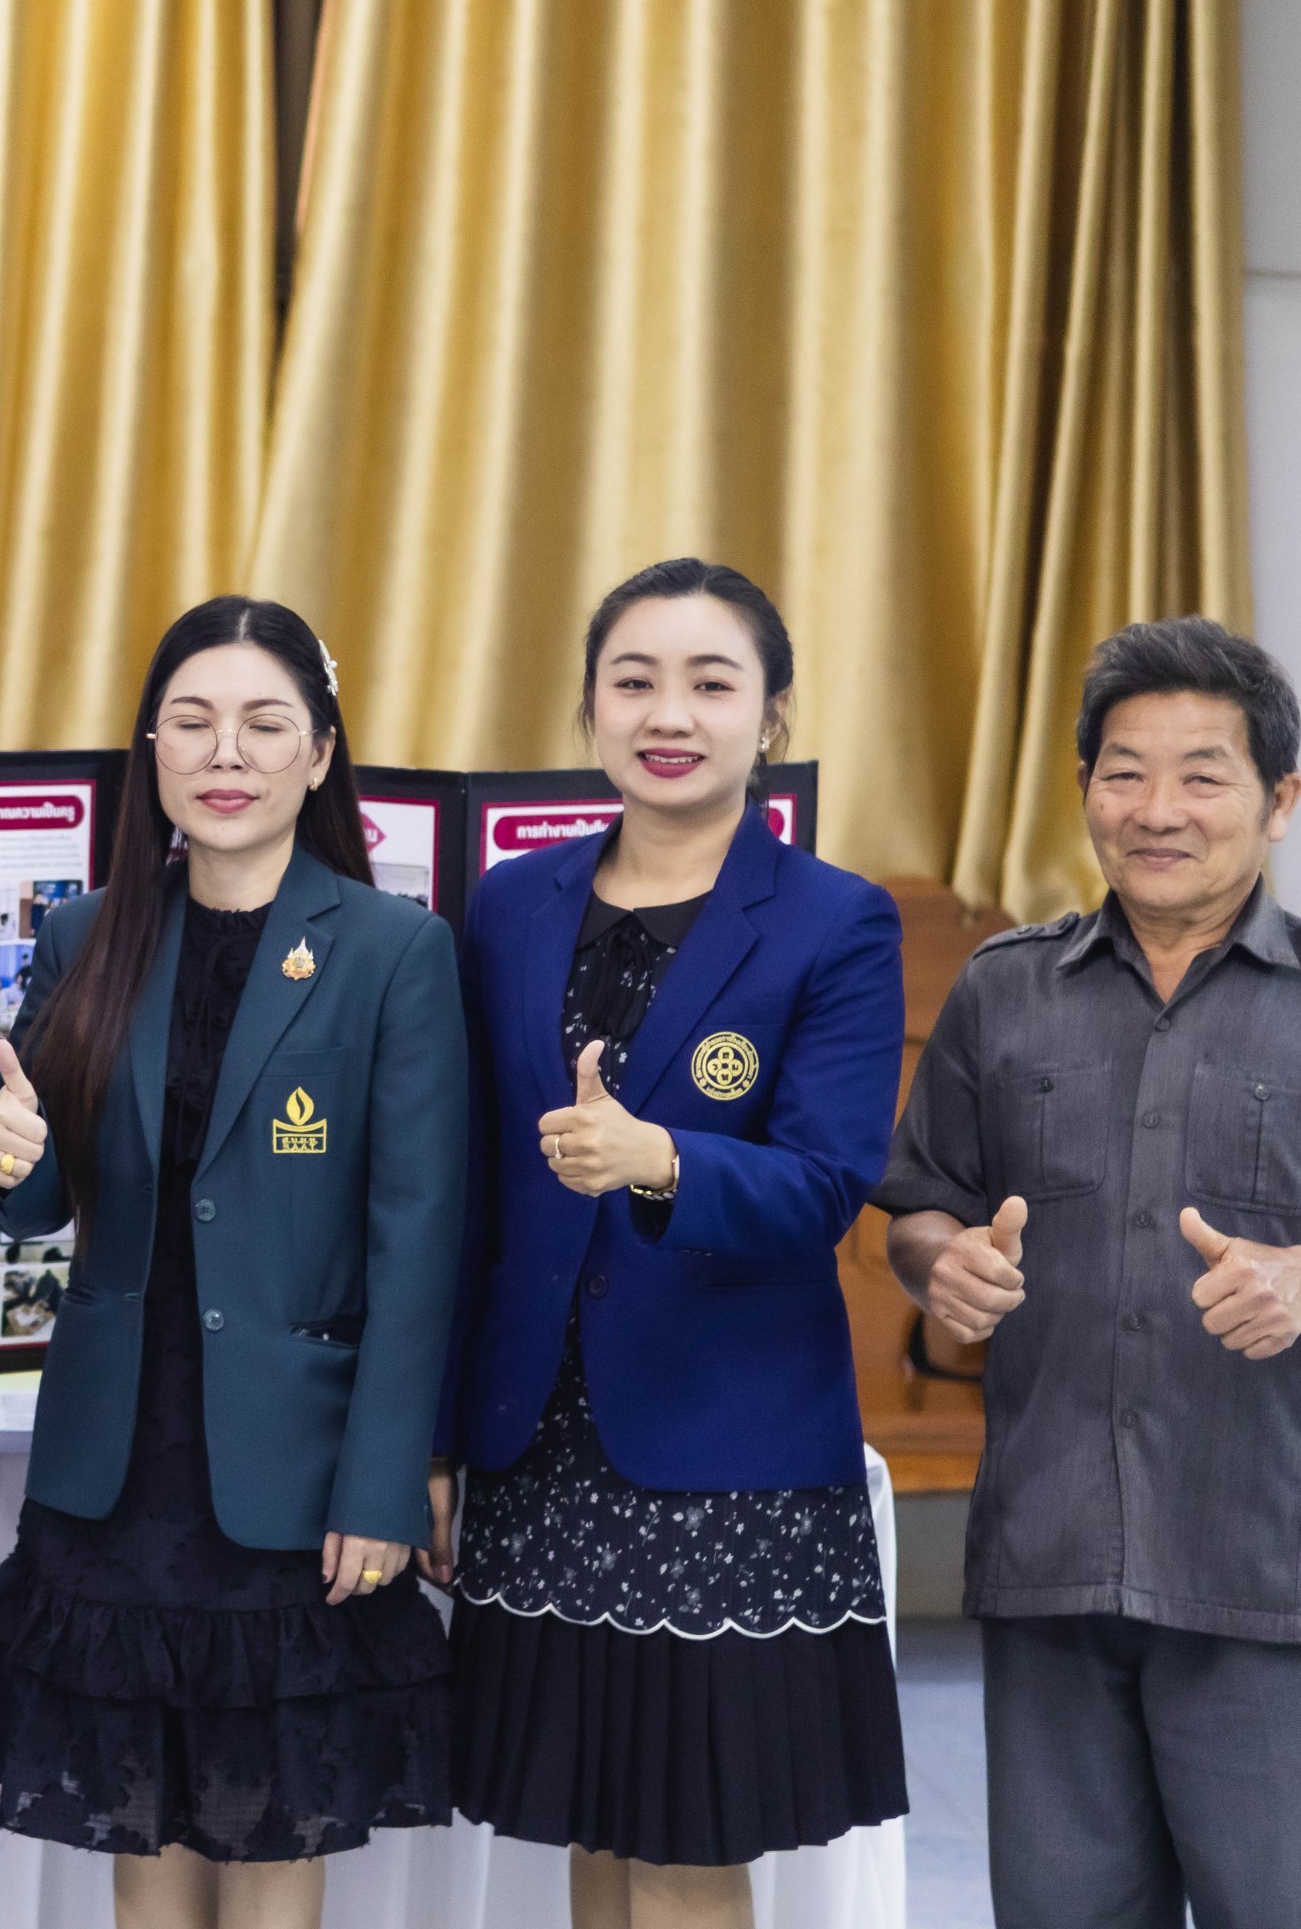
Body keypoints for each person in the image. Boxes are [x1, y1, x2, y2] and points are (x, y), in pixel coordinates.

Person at [0, 597, 464, 1929]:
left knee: (269, 1835)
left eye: (263, 724)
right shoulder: (87, 935)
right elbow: (33, 1198)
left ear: (320, 752)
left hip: (293, 1477)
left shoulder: (392, 951)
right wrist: (4, 1158)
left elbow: (419, 1244)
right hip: (119, 1464)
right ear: (152, 749)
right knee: (143, 1843)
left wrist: (384, 1486)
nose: (224, 752)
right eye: (191, 721)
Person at [437, 560, 909, 1929]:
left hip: (725, 1444)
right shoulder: (509, 905)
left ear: (771, 715)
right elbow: (469, 1196)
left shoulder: (834, 917)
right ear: (588, 708)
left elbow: (826, 1184)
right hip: (540, 1439)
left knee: (689, 1846)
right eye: (634, 680)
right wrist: (437, 1440)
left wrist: (662, 1161)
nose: (670, 714)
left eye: (712, 683)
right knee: (591, 1821)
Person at [875, 617, 1301, 1929]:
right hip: (1050, 1559)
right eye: (1124, 773)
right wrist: (942, 1266)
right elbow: (921, 1207)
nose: (1156, 810)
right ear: (1084, 791)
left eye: (1202, 775)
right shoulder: (1005, 994)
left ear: (1280, 800)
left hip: (1267, 1571)